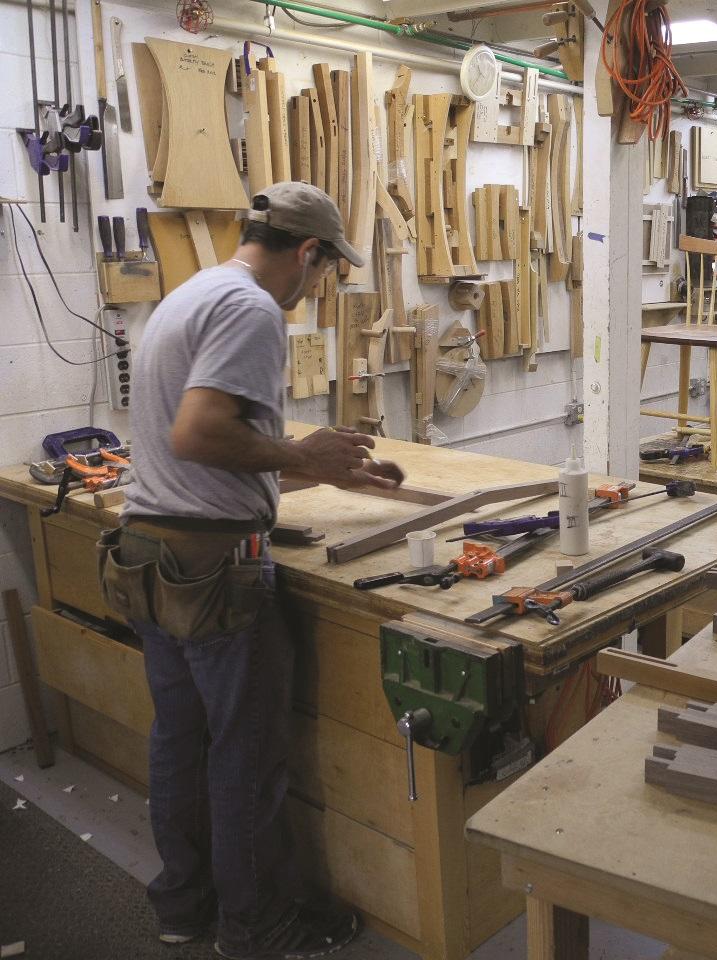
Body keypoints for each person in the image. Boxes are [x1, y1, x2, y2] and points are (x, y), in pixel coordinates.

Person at [98, 182, 403, 958]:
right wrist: (300, 453)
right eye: (328, 270)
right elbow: (203, 433)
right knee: (244, 758)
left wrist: (322, 472)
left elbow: (204, 452)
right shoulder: (252, 310)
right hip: (214, 574)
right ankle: (258, 927)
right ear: (307, 253)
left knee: (182, 742)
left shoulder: (192, 294)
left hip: (153, 554)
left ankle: (185, 907)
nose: (320, 287)